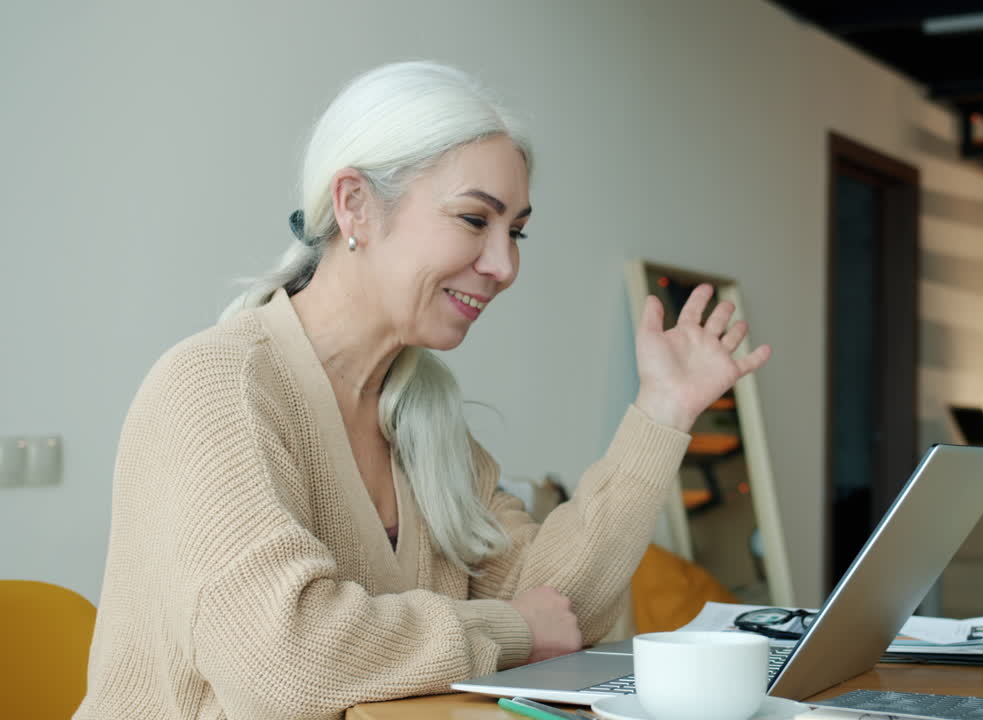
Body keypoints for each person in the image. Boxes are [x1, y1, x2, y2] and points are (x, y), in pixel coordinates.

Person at [74, 61, 770, 719]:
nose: (504, 265)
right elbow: (281, 660)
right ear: (355, 207)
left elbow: (561, 611)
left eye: (517, 231)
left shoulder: (423, 420)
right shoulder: (217, 388)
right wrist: (509, 629)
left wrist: (662, 411)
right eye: (475, 219)